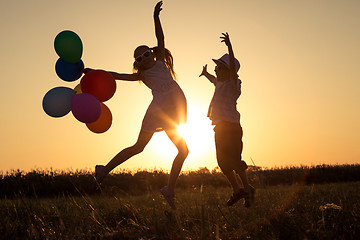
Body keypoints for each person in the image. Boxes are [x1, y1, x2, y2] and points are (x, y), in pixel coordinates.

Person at [85, 1, 188, 210]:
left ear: (152, 53)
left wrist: (155, 17)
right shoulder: (142, 74)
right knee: (141, 147)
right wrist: (93, 72)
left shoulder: (160, 61)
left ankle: (168, 189)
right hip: (161, 111)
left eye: (146, 54)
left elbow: (160, 38)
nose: (143, 58)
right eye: (139, 58)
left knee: (180, 151)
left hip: (169, 110)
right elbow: (115, 76)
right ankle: (105, 170)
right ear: (138, 64)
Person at [199, 33, 255, 207]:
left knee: (235, 160)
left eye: (219, 68)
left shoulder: (233, 83)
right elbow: (213, 81)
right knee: (223, 162)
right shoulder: (220, 83)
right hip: (219, 128)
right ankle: (237, 190)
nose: (216, 70)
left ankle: (248, 190)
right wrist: (206, 73)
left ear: (229, 70)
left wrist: (229, 47)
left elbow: (231, 68)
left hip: (232, 127)